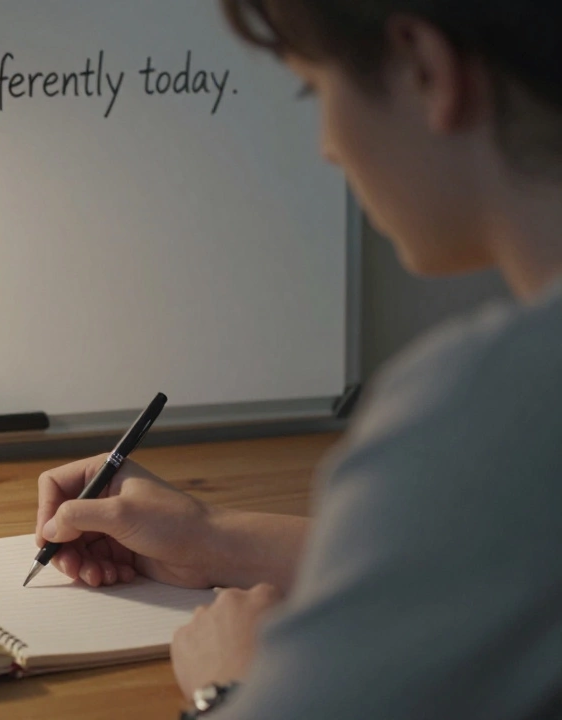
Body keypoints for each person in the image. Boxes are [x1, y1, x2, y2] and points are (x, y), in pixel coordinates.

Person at [35, 1, 562, 718]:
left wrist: (226, 689)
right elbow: (476, 559)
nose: (326, 149)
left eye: (316, 92)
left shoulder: (477, 410)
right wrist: (212, 537)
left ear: (425, 68)